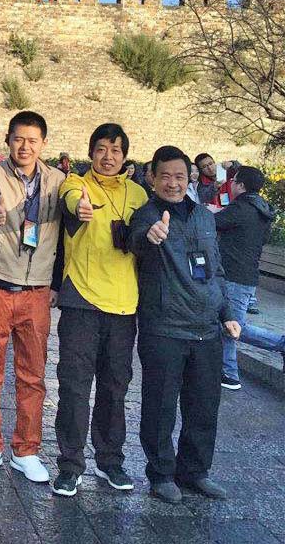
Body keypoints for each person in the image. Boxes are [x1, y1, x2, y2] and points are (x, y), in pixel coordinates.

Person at [128, 145, 241, 504]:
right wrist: (150, 236)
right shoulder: (146, 216)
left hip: (206, 328)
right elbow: (136, 241)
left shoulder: (204, 217)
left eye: (179, 176)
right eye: (165, 176)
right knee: (160, 407)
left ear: (189, 177)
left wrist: (227, 313)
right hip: (165, 328)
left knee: (204, 407)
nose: (173, 183)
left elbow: (216, 269)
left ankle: (195, 471)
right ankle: (161, 474)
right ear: (152, 177)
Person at [50, 123, 148, 497]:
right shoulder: (76, 184)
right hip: (82, 301)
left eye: (116, 150)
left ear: (125, 156)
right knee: (74, 386)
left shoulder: (138, 194)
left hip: (124, 305)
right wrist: (80, 206)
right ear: (91, 152)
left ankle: (110, 461)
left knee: (115, 387)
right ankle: (70, 465)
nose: (108, 157)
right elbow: (70, 199)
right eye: (102, 149)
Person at [0, 111, 63, 482]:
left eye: (32, 140)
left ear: (43, 144)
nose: (25, 147)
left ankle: (27, 450)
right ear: (8, 139)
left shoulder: (58, 181)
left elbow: (66, 225)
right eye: (18, 139)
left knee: (32, 375)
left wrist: (56, 284)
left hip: (36, 291)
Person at [214, 166, 283, 390]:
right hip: (247, 274)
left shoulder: (241, 207)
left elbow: (214, 222)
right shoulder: (262, 209)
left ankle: (230, 373)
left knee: (233, 325)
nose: (232, 184)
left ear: (241, 185)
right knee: (229, 323)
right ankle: (227, 371)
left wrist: (211, 211)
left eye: (234, 181)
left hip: (234, 274)